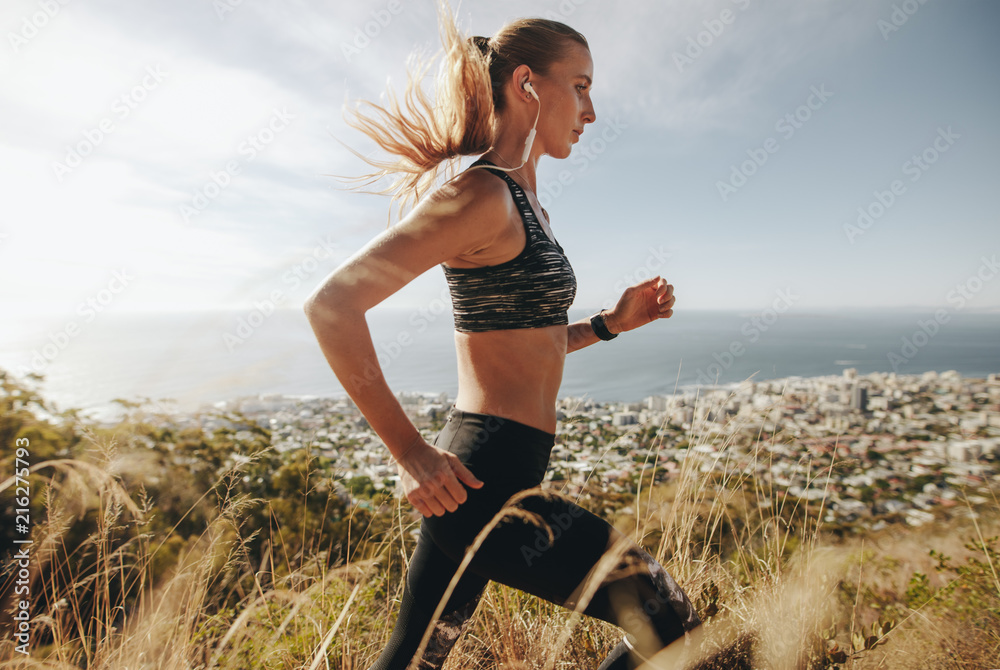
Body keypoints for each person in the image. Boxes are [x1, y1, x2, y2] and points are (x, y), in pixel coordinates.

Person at [304, 2, 702, 667]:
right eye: (581, 88)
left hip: (492, 474)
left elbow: (529, 342)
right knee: (670, 620)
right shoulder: (481, 197)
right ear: (526, 85)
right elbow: (332, 306)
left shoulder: (529, 206)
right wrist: (410, 453)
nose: (592, 111)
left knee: (410, 661)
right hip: (485, 482)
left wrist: (609, 325)